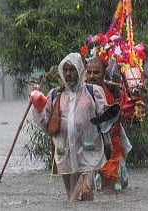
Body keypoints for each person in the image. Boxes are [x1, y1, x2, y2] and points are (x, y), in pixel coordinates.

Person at [31, 52, 107, 201]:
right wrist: (38, 107)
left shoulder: (93, 92)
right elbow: (45, 125)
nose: (68, 74)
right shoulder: (54, 95)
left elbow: (105, 119)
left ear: (79, 70)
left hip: (88, 152)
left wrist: (108, 112)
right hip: (64, 152)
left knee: (84, 193)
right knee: (71, 196)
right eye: (65, 70)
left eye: (72, 70)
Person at [85, 57, 132, 192]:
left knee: (109, 193)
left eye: (96, 73)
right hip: (87, 149)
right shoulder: (80, 91)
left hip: (111, 149)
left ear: (104, 73)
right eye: (89, 72)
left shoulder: (112, 90)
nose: (92, 76)